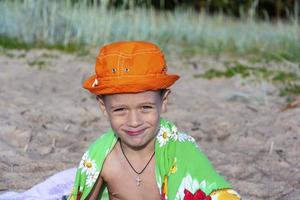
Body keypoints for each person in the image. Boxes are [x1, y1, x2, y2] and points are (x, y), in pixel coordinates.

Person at [68, 41, 241, 200]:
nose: (134, 122)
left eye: (146, 108)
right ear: (103, 107)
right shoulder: (101, 160)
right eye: (120, 110)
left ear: (164, 101)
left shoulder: (180, 151)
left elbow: (215, 193)